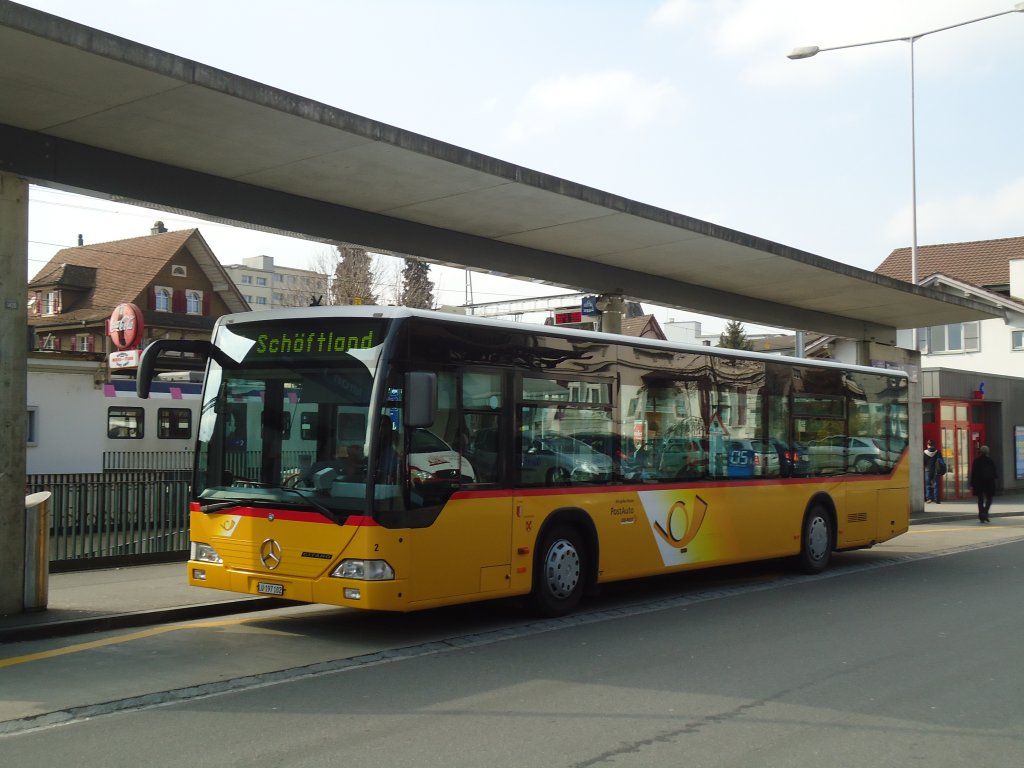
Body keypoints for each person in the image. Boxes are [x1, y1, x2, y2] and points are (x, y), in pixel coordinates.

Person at [969, 445, 998, 524]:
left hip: (979, 483)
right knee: (989, 499)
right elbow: (994, 472)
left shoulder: (976, 461)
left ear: (980, 452)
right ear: (987, 452)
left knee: (980, 500)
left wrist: (972, 483)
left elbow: (973, 473)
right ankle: (985, 512)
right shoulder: (990, 460)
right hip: (989, 483)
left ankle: (982, 515)